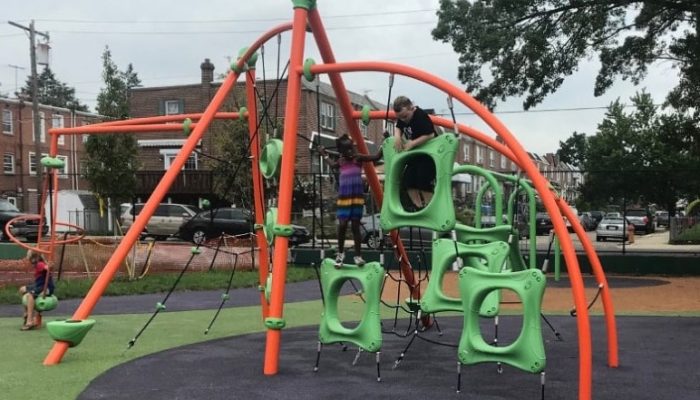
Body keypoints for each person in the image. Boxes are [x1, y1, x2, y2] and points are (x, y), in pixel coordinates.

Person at [319, 134, 382, 267]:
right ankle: (340, 254)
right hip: (344, 198)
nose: (351, 151)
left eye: (351, 148)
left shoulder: (358, 158)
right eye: (347, 150)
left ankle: (358, 256)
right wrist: (323, 154)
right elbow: (332, 164)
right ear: (341, 151)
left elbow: (376, 157)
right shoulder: (341, 161)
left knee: (355, 227)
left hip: (357, 198)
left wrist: (384, 142)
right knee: (342, 225)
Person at [392, 96, 438, 210]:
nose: (403, 120)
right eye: (400, 118)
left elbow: (430, 134)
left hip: (428, 155)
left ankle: (430, 207)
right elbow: (398, 127)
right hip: (416, 155)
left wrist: (412, 143)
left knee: (423, 181)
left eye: (405, 116)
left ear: (411, 108)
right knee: (408, 181)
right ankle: (419, 207)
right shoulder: (403, 117)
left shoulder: (420, 116)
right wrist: (397, 136)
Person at [19, 250, 54, 330]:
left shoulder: (40, 264)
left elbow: (46, 268)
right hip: (39, 285)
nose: (28, 259)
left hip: (46, 287)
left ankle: (30, 321)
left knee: (30, 295)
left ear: (33, 258)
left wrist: (49, 266)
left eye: (29, 257)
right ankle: (26, 312)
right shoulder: (38, 264)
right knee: (22, 289)